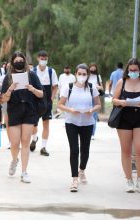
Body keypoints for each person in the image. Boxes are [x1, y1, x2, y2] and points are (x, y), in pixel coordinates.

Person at [112, 58, 140, 193]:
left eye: (136, 70)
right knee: (126, 151)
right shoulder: (122, 82)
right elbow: (114, 100)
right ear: (127, 70)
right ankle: (129, 180)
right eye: (131, 70)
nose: (133, 72)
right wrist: (121, 102)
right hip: (124, 118)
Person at [1, 51, 44, 183]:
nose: (18, 62)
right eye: (16, 60)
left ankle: (24, 172)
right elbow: (3, 99)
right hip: (14, 111)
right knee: (14, 143)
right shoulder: (8, 77)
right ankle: (14, 160)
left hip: (29, 111)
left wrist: (32, 89)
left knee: (25, 142)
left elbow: (41, 94)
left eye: (21, 60)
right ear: (12, 63)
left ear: (24, 61)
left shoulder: (32, 75)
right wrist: (10, 89)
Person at [58, 64, 101, 192]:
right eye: (80, 73)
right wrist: (70, 109)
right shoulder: (69, 87)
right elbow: (60, 104)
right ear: (75, 74)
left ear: (87, 75)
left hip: (87, 122)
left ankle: (82, 170)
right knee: (74, 150)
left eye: (84, 74)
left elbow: (98, 104)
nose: (82, 76)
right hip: (71, 122)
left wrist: (92, 110)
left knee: (85, 150)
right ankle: (75, 179)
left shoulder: (92, 88)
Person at [31, 50, 58, 156]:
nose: (43, 61)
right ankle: (34, 139)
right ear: (38, 59)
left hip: (47, 101)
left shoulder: (51, 71)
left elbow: (55, 86)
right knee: (34, 124)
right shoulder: (33, 71)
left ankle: (43, 147)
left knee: (46, 124)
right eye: (42, 59)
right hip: (35, 101)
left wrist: (51, 98)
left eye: (45, 59)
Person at [88, 63, 104, 140]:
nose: (93, 70)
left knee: (94, 115)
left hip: (95, 97)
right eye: (91, 69)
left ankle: (92, 133)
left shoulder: (98, 76)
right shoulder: (86, 76)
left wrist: (97, 87)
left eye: (94, 69)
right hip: (87, 97)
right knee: (86, 114)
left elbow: (102, 88)